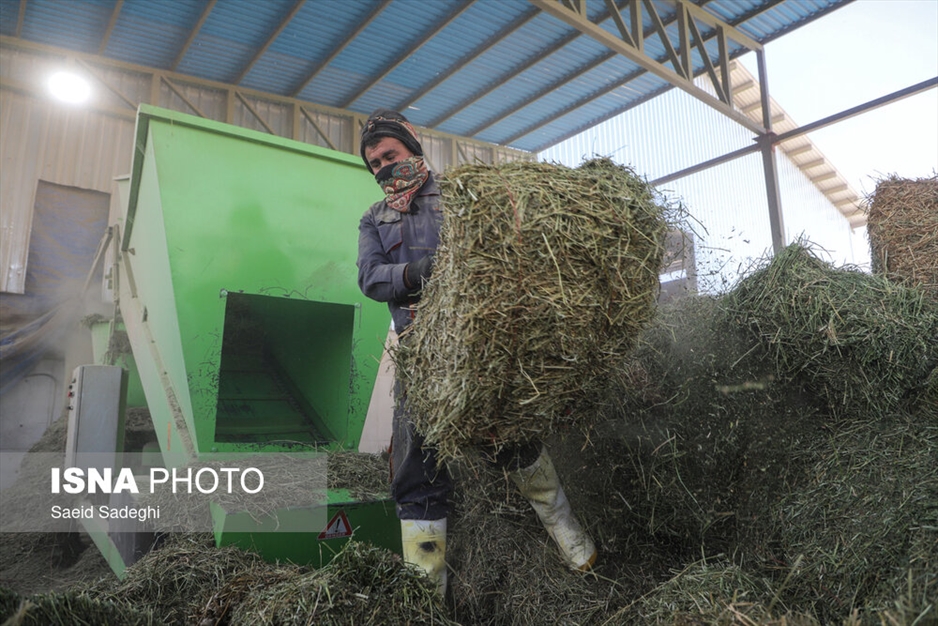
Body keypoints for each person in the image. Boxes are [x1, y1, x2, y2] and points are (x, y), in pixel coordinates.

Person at [356, 109, 596, 596]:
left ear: (412, 146)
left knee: (513, 439)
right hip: (420, 357)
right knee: (415, 469)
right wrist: (420, 271)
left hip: (479, 349)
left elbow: (508, 247)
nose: (383, 167)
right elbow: (369, 278)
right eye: (374, 162)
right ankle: (429, 591)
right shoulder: (375, 218)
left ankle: (571, 537)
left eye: (390, 154)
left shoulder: (461, 193)